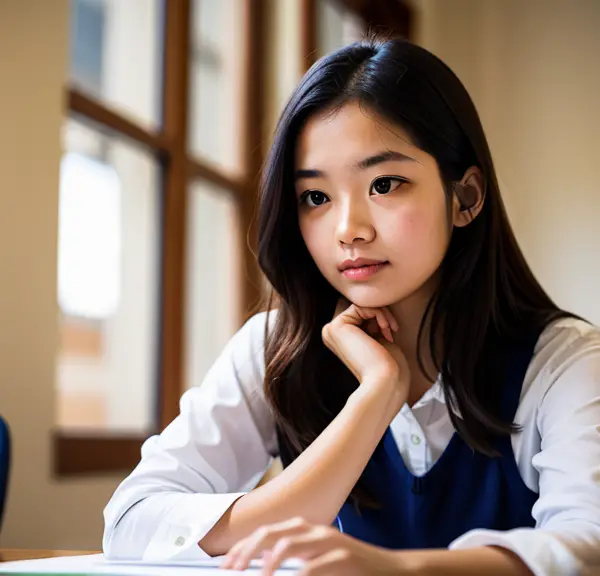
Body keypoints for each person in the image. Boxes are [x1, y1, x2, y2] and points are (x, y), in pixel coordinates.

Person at [102, 37, 600, 575]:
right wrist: (375, 396)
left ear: (466, 197)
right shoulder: (273, 349)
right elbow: (131, 520)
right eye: (316, 197)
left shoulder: (562, 364)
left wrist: (400, 571)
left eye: (385, 184)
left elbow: (588, 543)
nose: (348, 231)